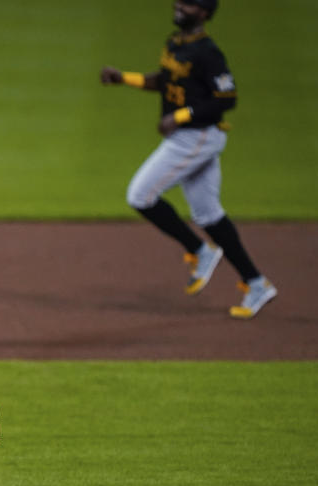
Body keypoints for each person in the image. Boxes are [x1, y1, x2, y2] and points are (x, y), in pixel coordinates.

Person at [101, 0, 278, 319]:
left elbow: (227, 97)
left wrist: (180, 116)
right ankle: (256, 282)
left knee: (140, 195)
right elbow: (166, 82)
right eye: (180, 1)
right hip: (189, 137)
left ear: (206, 13)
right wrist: (124, 78)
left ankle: (199, 250)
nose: (180, 7)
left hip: (197, 138)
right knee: (209, 215)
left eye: (191, 5)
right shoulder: (175, 43)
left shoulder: (208, 53)